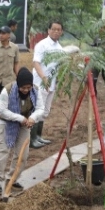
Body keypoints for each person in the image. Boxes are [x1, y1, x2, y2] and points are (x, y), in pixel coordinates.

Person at [0, 68, 43, 194]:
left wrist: (32, 118)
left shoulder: (35, 90)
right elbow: (2, 110)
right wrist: (20, 118)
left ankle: (12, 179)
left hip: (25, 121)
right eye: (23, 87)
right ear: (18, 84)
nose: (25, 90)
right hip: (4, 121)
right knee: (3, 151)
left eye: (28, 87)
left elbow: (41, 108)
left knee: (22, 154)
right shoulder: (7, 90)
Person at [31, 20, 65, 148]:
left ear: (61, 32)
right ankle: (32, 139)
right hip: (40, 82)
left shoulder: (59, 47)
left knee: (45, 111)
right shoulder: (42, 45)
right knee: (37, 109)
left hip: (51, 83)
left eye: (59, 30)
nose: (56, 32)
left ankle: (38, 136)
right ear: (48, 30)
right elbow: (36, 63)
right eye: (54, 29)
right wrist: (44, 78)